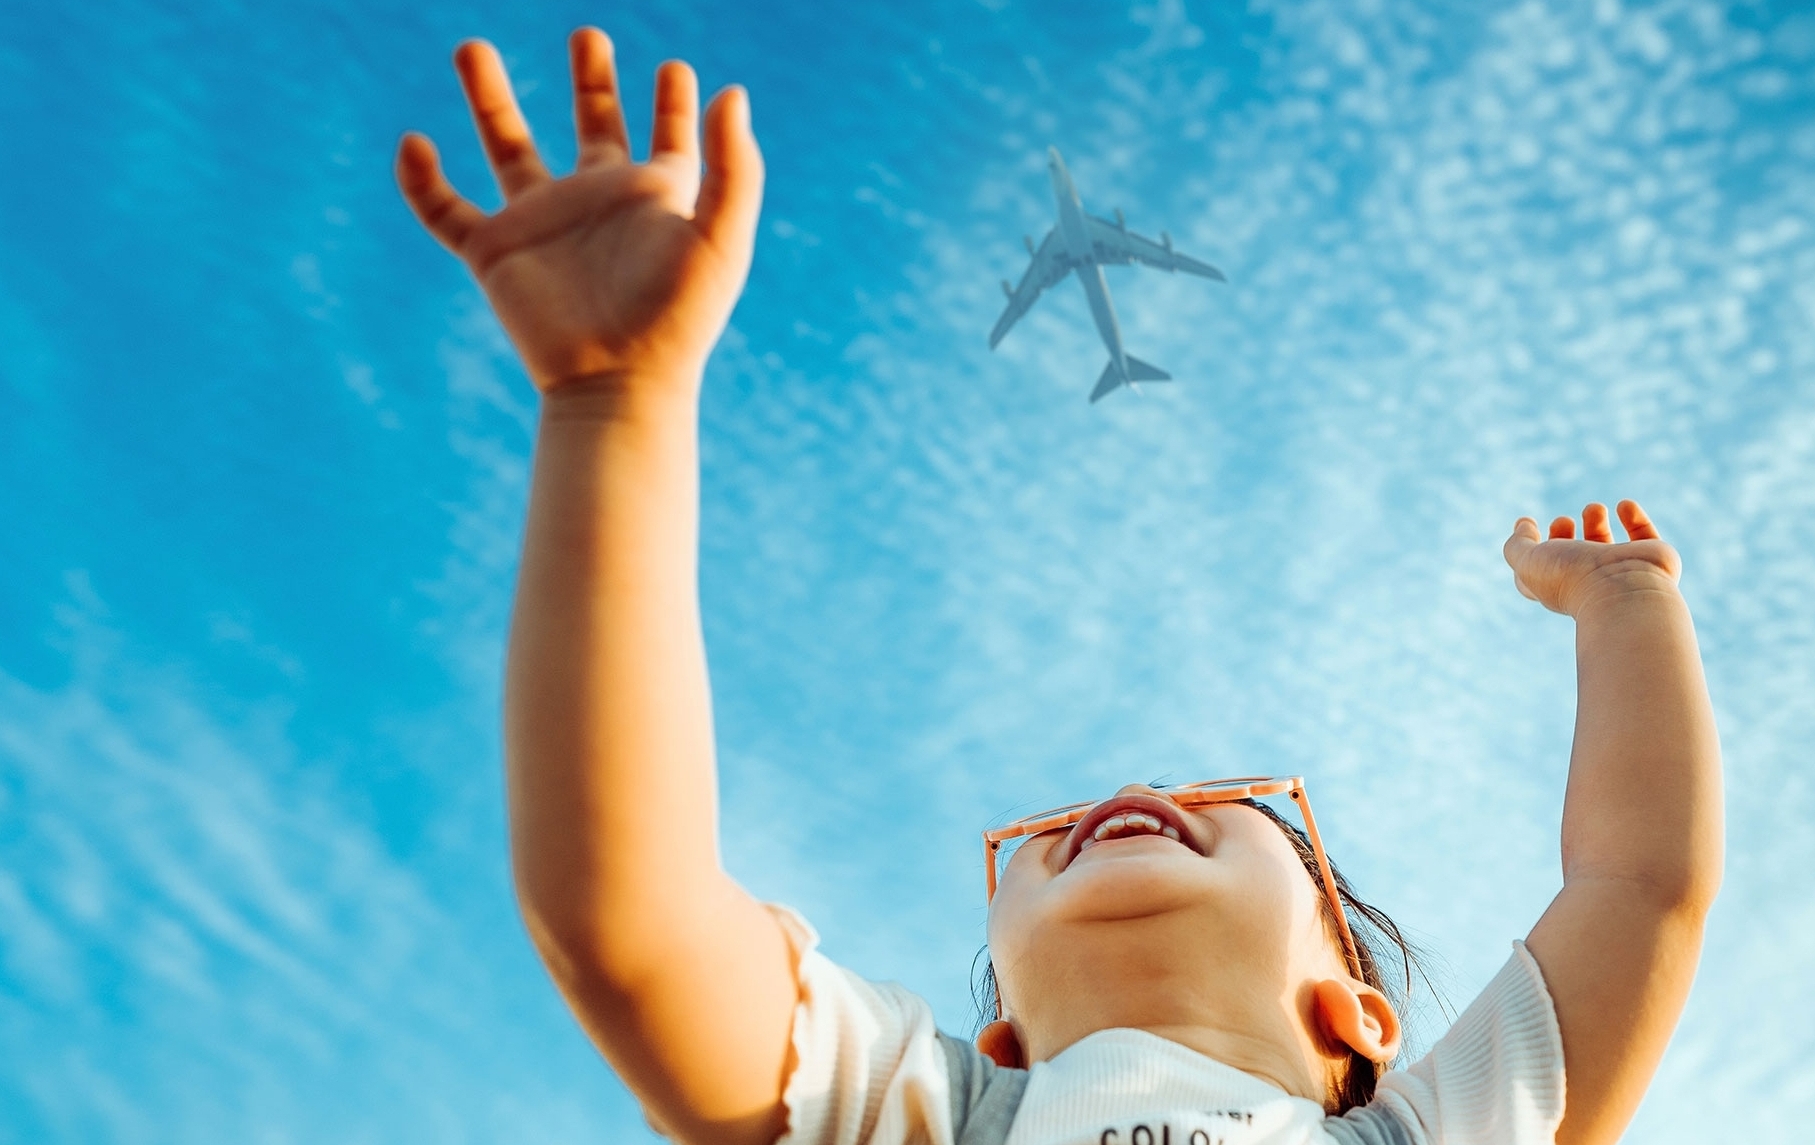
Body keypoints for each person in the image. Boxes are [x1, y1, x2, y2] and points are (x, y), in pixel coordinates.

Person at [395, 28, 1723, 1145]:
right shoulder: (935, 1111)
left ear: (1360, 1020)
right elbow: (632, 912)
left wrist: (1626, 600)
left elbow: (1639, 885)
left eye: (1231, 805)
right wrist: (612, 400)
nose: (1122, 804)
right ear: (1006, 1039)